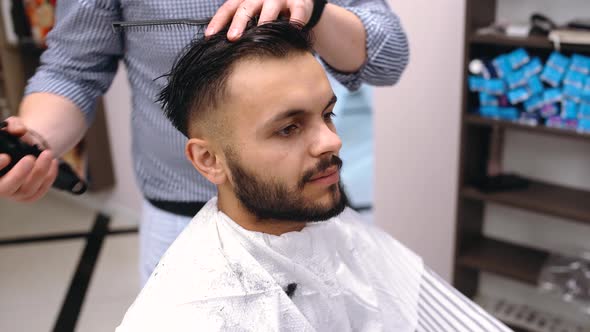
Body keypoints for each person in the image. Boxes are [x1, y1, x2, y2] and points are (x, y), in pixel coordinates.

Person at [116, 21, 511, 332]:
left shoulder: (331, 228)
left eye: (327, 114)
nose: (331, 142)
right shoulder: (184, 314)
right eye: (288, 128)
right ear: (208, 160)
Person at [0, 0, 409, 284]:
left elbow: (388, 56)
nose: (331, 143)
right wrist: (34, 139)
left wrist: (316, 10)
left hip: (300, 202)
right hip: (180, 213)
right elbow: (73, 69)